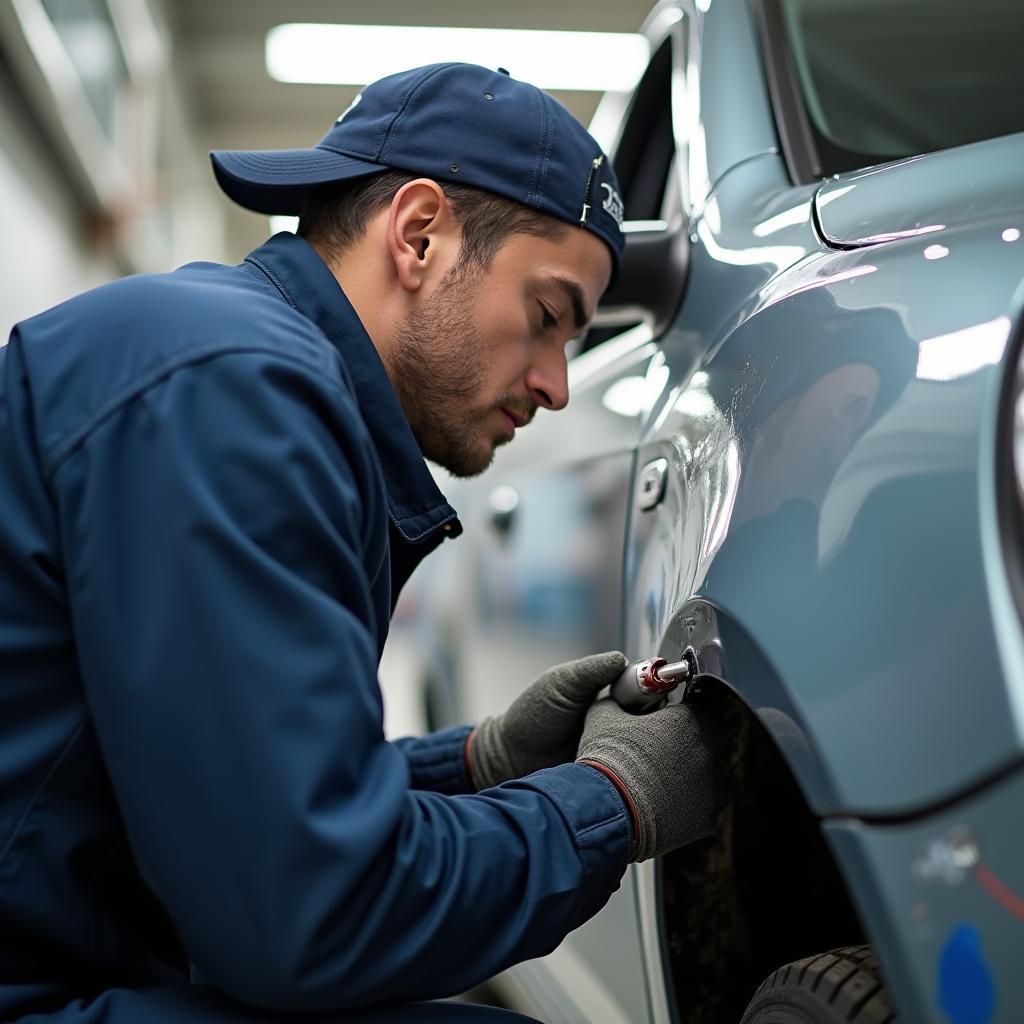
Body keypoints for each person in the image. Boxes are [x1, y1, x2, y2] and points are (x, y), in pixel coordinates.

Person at [0, 63, 723, 1022]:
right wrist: (610, 803)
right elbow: (309, 914)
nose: (555, 383)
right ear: (419, 234)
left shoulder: (235, 363)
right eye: (548, 318)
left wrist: (481, 763)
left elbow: (226, 798)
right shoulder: (238, 397)